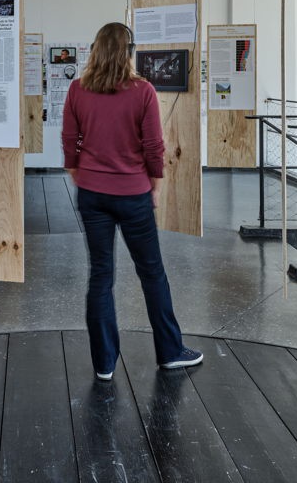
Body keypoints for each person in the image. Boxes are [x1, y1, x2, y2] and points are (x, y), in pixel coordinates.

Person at [62, 22, 202, 381]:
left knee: (100, 275)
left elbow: (69, 139)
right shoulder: (143, 91)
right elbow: (154, 146)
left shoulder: (78, 89)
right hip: (133, 193)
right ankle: (170, 352)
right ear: (129, 52)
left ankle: (104, 363)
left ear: (95, 49)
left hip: (92, 194)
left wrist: (78, 172)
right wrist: (154, 184)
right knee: (152, 272)